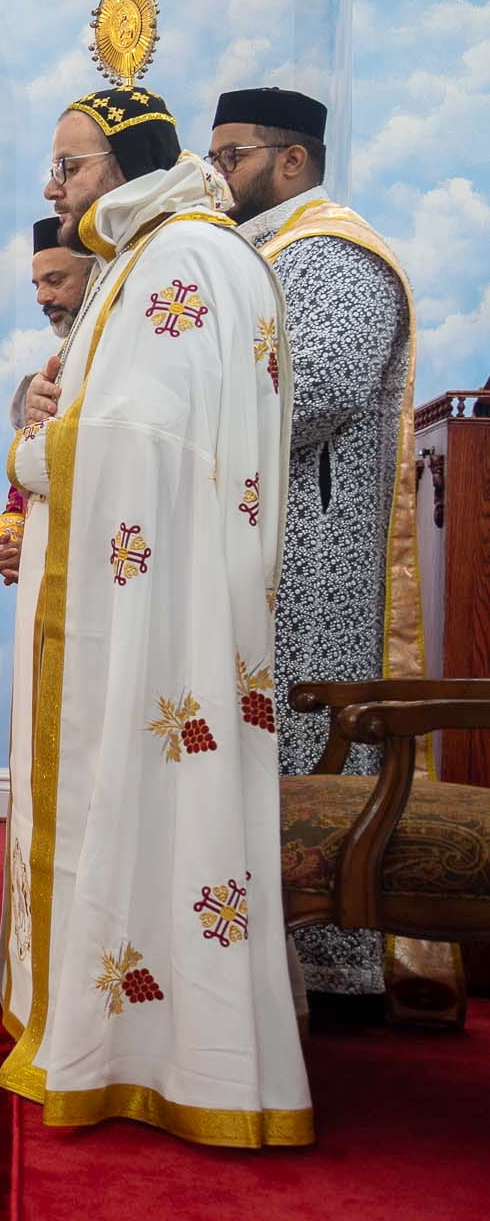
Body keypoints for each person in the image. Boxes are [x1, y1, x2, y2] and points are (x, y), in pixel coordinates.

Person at [0, 85, 309, 1146]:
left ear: (127, 165)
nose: (54, 187)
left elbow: (137, 444)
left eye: (70, 165)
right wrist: (46, 411)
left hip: (157, 614)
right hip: (161, 592)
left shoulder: (177, 257)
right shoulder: (161, 252)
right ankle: (139, 1038)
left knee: (141, 803)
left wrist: (30, 449)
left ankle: (145, 1055)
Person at [210, 86, 422, 1001]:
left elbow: (318, 391)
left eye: (232, 157)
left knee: (307, 737)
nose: (218, 176)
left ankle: (331, 969)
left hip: (314, 560)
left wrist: (185, 409)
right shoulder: (263, 253)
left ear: (292, 160)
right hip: (260, 536)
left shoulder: (335, 254)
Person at [0, 219, 92, 585]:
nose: (42, 298)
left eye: (55, 281)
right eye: (37, 285)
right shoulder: (55, 368)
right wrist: (11, 541)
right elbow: (24, 495)